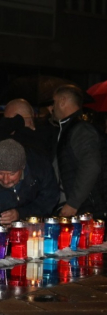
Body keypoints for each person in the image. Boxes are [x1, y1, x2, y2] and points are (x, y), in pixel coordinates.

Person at [52, 84, 106, 218]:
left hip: (89, 209)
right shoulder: (70, 128)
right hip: (84, 208)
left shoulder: (80, 129)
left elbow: (91, 165)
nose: (52, 108)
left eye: (54, 102)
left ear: (63, 101)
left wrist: (73, 203)